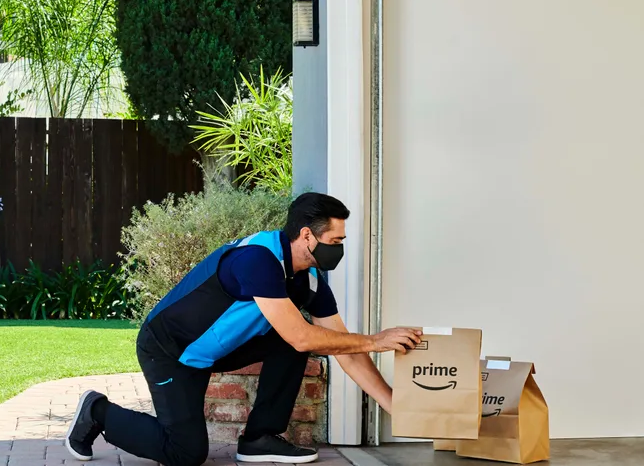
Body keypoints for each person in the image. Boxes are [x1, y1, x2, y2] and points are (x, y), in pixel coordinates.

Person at [64, 192, 421, 465]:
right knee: (185, 453)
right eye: (335, 241)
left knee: (301, 342)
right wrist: (377, 340)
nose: (340, 249)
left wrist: (398, 406)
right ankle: (97, 411)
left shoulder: (309, 280)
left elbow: (345, 351)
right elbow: (303, 335)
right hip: (171, 349)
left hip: (216, 347)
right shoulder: (257, 260)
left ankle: (259, 439)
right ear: (307, 236)